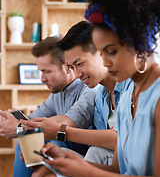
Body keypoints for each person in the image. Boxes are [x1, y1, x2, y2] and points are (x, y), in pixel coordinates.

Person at [2, 0, 160, 177]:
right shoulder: (129, 96)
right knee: (48, 175)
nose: (106, 62)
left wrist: (84, 170)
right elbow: (119, 169)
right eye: (102, 51)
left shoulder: (155, 95)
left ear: (138, 41)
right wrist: (68, 162)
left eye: (112, 51)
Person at [0, 36, 97, 177]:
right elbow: (35, 119)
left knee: (37, 140)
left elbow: (66, 121)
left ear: (67, 66)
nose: (42, 78)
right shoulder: (58, 93)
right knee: (28, 138)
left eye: (46, 71)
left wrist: (21, 127)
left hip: (85, 152)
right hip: (67, 145)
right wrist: (12, 119)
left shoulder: (88, 89)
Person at [21, 21, 131, 165]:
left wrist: (61, 132)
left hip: (131, 166)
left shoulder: (131, 87)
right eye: (72, 67)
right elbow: (104, 145)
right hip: (111, 162)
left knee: (93, 152)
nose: (77, 74)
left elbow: (121, 140)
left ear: (101, 52)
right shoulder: (101, 96)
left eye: (80, 64)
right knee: (46, 162)